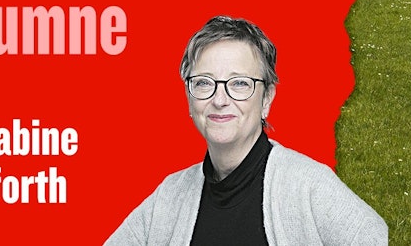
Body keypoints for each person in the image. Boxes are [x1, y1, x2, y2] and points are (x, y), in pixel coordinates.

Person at [107, 17, 387, 245]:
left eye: (240, 83)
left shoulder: (309, 186)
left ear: (266, 99)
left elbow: (370, 233)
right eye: (204, 83)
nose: (219, 99)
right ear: (189, 97)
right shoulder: (170, 196)